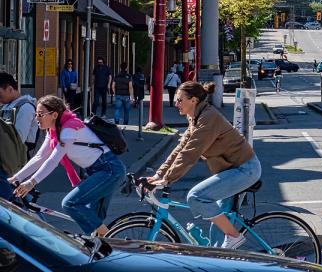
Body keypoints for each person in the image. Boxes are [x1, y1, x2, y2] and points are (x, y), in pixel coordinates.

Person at [148, 81, 261, 249]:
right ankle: (219, 259)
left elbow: (190, 152)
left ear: (193, 100)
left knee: (196, 197)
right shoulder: (196, 117)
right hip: (230, 171)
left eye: (180, 100)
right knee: (217, 231)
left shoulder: (208, 119)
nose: (176, 103)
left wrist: (168, 179)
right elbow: (181, 147)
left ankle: (234, 236)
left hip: (244, 169)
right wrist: (160, 174)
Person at [9, 95, 126, 236]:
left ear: (54, 115)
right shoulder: (54, 131)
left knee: (71, 203)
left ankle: (113, 244)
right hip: (98, 172)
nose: (36, 118)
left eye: (40, 114)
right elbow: (40, 157)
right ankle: (103, 244)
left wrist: (31, 182)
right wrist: (15, 178)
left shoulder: (69, 129)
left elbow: (52, 160)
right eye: (36, 114)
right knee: (93, 221)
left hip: (109, 170)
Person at [0, 73, 38, 153]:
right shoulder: (7, 105)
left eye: (0, 95)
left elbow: (18, 139)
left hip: (19, 159)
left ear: (10, 89)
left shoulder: (25, 107)